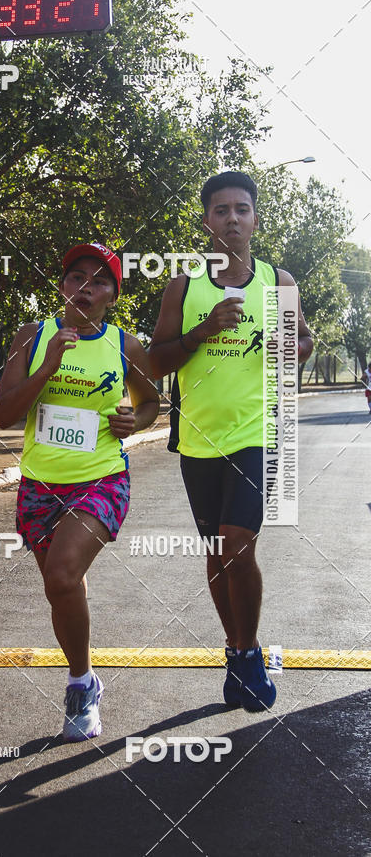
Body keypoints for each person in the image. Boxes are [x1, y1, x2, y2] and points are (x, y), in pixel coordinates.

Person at [149, 171, 313, 712]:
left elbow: (301, 348)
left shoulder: (278, 282)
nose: (232, 219)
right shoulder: (185, 286)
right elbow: (156, 360)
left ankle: (248, 651)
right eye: (221, 210)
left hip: (257, 435)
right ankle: (238, 650)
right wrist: (202, 331)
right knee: (218, 553)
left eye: (242, 209)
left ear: (255, 219)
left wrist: (299, 346)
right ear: (206, 220)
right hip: (197, 440)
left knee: (237, 542)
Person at [0, 243, 159, 740]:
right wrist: (46, 365)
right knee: (59, 587)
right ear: (63, 286)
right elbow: (3, 414)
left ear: (113, 295)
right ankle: (85, 675)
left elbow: (152, 403)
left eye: (100, 280)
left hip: (102, 478)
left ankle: (79, 690)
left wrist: (135, 420)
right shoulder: (33, 335)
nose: (86, 286)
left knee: (64, 577)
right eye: (76, 276)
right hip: (40, 485)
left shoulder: (125, 346)